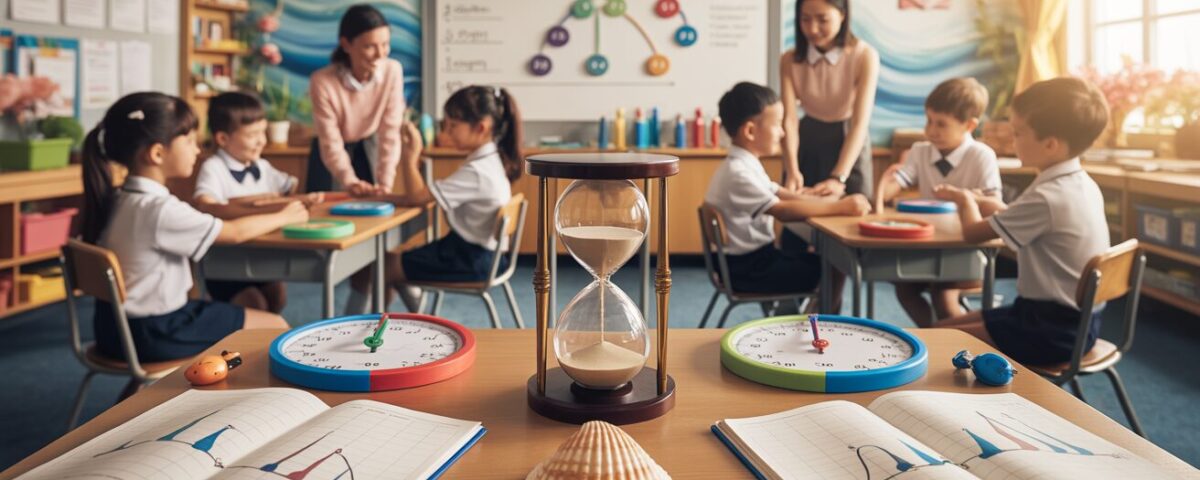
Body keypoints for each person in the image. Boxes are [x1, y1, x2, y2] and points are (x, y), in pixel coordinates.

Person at [80, 92, 305, 362]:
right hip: (155, 331)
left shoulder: (119, 198)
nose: (197, 150)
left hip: (113, 329)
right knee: (276, 326)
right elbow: (234, 233)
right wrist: (286, 216)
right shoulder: (160, 210)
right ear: (157, 153)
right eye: (188, 141)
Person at [935, 77, 1111, 365]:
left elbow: (971, 234)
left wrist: (965, 199)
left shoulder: (1046, 195)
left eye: (1018, 133)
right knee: (942, 328)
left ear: (1051, 145)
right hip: (1075, 320)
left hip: (1050, 330)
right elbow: (1038, 223)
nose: (1012, 140)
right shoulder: (1080, 183)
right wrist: (996, 207)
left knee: (939, 337)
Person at [704, 82, 870, 297]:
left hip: (747, 263)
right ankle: (821, 318)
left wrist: (820, 196)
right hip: (749, 270)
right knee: (833, 264)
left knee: (820, 257)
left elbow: (781, 193)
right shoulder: (739, 173)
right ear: (751, 131)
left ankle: (812, 316)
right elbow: (783, 210)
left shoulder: (744, 164)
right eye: (778, 125)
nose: (783, 133)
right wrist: (841, 207)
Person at [874, 77, 1004, 325]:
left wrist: (966, 197)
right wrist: (883, 189)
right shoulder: (920, 151)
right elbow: (897, 182)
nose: (931, 130)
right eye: (929, 121)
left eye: (941, 124)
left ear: (969, 125)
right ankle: (934, 336)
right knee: (905, 291)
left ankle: (962, 344)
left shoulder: (982, 155)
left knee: (943, 298)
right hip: (925, 250)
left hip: (966, 253)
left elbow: (994, 204)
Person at [383, 86, 522, 309]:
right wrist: (385, 197)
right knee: (391, 263)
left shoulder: (477, 171)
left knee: (383, 267)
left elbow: (417, 198)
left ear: (481, 128)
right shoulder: (491, 160)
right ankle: (421, 318)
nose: (446, 133)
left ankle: (368, 332)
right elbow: (417, 197)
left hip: (471, 259)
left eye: (453, 126)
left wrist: (410, 157)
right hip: (487, 256)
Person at [308, 3, 407, 314]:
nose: (379, 54)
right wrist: (349, 180)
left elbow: (390, 131)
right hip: (334, 153)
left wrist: (385, 183)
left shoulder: (392, 70)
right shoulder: (323, 81)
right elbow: (331, 142)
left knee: (381, 227)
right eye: (369, 47)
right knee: (336, 232)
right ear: (346, 44)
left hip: (373, 143)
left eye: (385, 45)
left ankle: (368, 304)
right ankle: (345, 305)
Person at [193, 92, 319, 313]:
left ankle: (263, 335)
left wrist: (302, 199)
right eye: (253, 135)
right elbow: (205, 205)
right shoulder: (213, 167)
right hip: (225, 262)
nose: (262, 140)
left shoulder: (261, 165)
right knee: (254, 304)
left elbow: (288, 186)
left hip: (262, 255)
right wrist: (260, 203)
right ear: (222, 139)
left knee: (278, 297)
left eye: (263, 131)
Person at [780, 0, 879, 199]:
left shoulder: (864, 55)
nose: (813, 29)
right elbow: (789, 120)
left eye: (822, 20)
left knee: (853, 213)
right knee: (798, 217)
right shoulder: (789, 59)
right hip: (807, 140)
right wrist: (792, 169)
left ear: (842, 15)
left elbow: (860, 123)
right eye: (805, 19)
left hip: (849, 141)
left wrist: (839, 177)